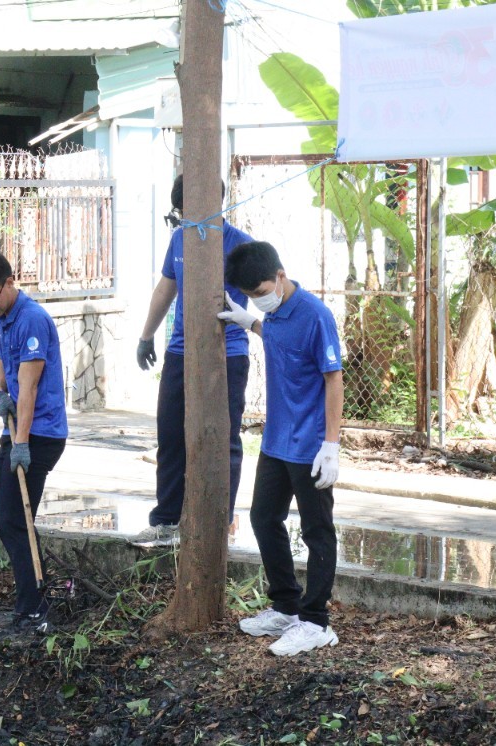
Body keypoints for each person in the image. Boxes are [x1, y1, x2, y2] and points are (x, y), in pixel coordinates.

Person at [218, 240, 343, 657]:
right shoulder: (272, 314)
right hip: (276, 441)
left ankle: (316, 622)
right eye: (251, 296)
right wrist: (246, 320)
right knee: (263, 517)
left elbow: (333, 378)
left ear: (281, 276)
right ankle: (287, 605)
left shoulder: (315, 315)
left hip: (310, 445)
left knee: (316, 530)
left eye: (260, 293)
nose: (259, 301)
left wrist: (331, 444)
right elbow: (272, 332)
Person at [131, 175, 254, 547]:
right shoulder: (180, 238)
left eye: (186, 211)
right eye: (180, 212)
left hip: (226, 352)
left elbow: (268, 296)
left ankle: (221, 521)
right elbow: (166, 287)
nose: (183, 218)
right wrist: (146, 334)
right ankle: (166, 522)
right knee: (170, 436)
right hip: (181, 351)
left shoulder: (240, 247)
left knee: (222, 438)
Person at [0, 252, 67, 634]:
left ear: (10, 282)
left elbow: (30, 388)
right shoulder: (6, 318)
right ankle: (31, 596)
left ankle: (35, 608)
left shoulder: (32, 318)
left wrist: (20, 443)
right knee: (2, 516)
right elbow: (6, 367)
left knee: (16, 518)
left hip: (40, 434)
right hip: (18, 430)